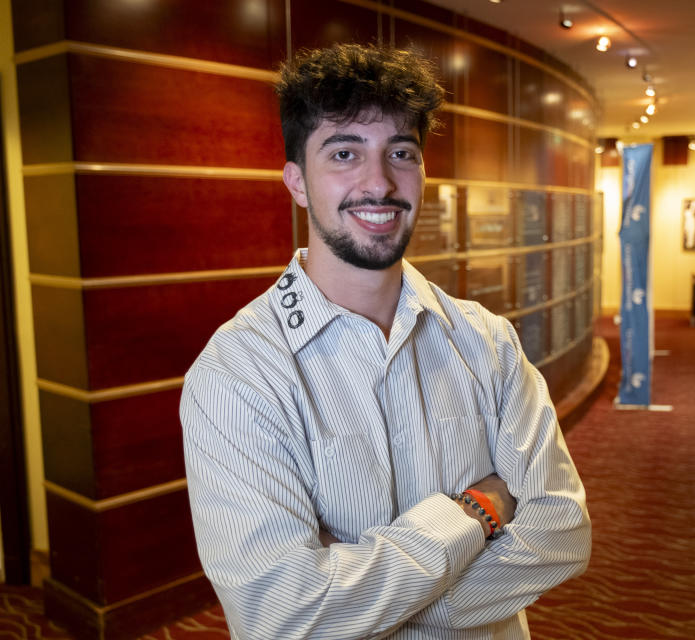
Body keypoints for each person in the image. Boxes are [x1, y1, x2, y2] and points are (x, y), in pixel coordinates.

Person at [179, 43, 591, 639]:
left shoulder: (487, 342)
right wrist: (476, 512)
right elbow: (283, 617)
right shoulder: (239, 373)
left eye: (400, 152)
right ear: (297, 181)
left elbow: (562, 532)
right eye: (344, 153)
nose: (379, 181)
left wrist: (375, 610)